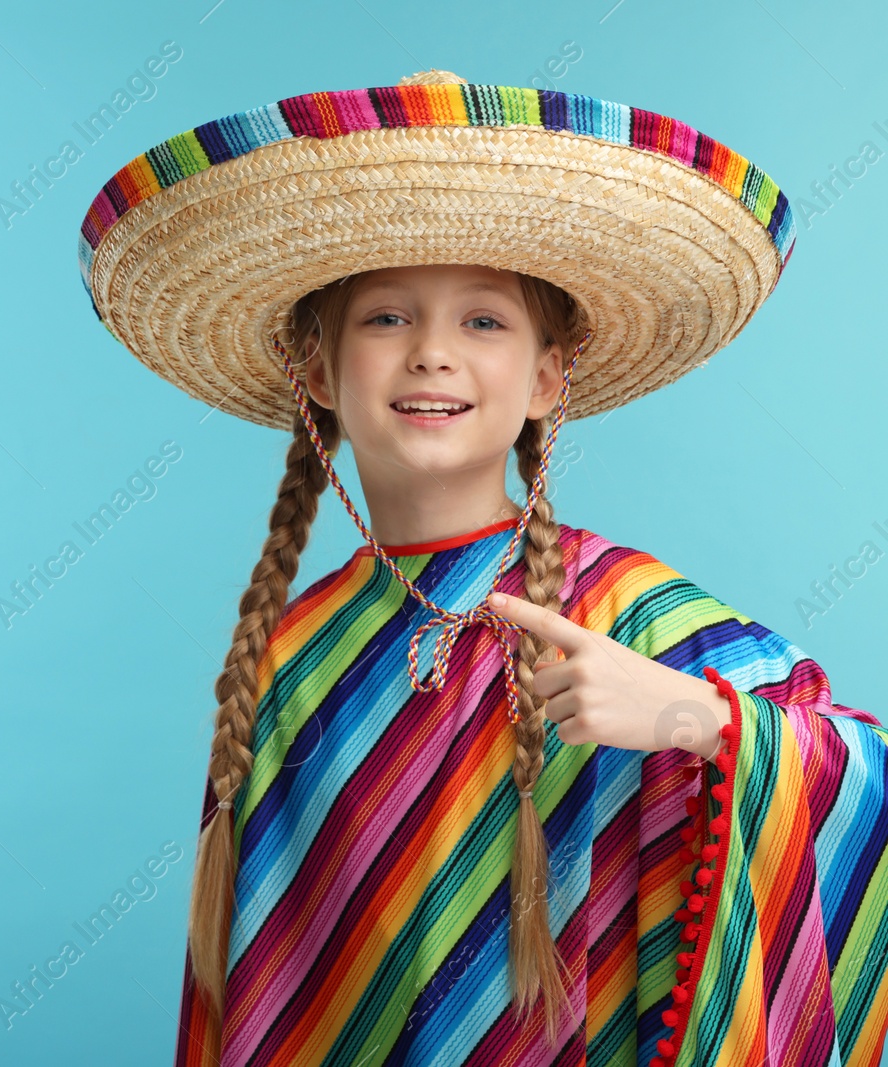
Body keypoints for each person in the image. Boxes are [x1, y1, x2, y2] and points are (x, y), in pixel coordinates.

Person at [76, 70, 888, 1067]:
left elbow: (863, 776)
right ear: (318, 371)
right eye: (383, 317)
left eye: (483, 321)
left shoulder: (626, 612)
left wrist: (696, 716)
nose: (430, 354)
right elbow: (266, 980)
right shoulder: (288, 653)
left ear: (548, 377)